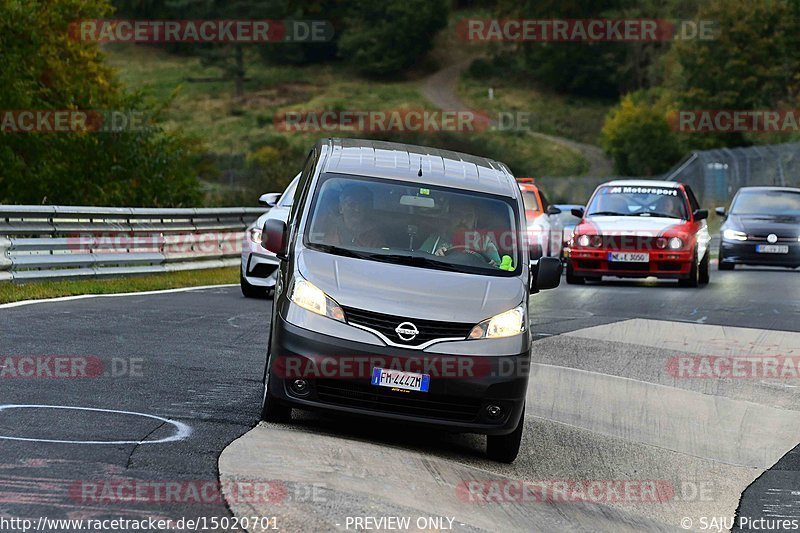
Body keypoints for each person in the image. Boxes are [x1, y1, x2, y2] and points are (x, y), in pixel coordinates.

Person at [420, 197, 502, 266]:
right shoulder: (436, 239)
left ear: (475, 221)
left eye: (469, 216)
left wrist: (489, 266)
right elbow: (421, 263)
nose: (463, 220)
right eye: (458, 215)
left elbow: (499, 269)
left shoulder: (484, 242)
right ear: (450, 217)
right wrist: (435, 257)